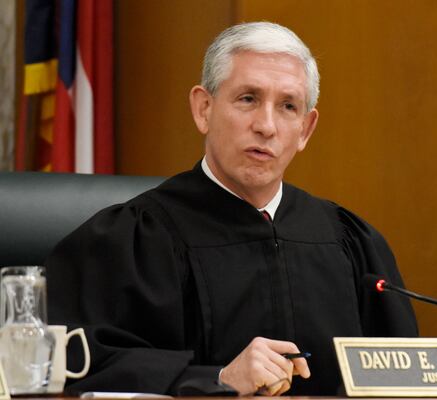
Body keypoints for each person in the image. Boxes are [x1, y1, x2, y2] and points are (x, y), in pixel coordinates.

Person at [46, 22, 418, 396]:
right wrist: (219, 379)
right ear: (203, 109)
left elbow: (402, 373)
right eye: (248, 99)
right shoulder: (135, 238)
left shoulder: (348, 241)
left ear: (305, 129)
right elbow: (77, 366)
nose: (266, 126)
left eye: (288, 106)